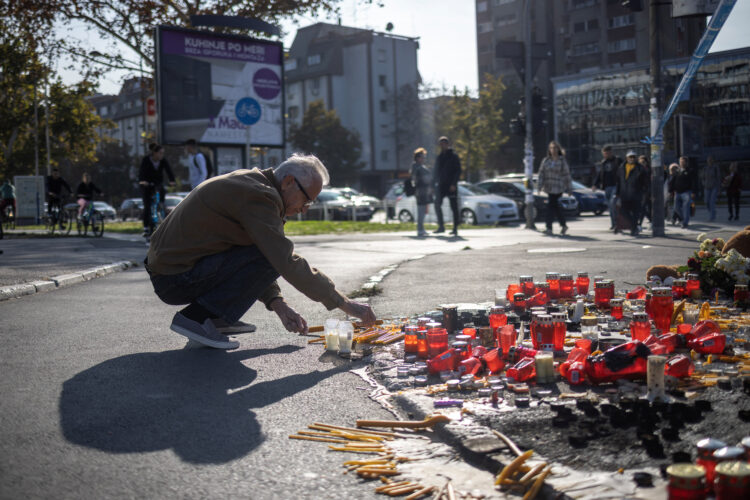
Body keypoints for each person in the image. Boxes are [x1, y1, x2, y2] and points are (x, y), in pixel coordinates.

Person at [144, 154, 376, 349]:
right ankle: (197, 317)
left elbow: (249, 251)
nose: (304, 210)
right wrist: (345, 303)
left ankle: (215, 318)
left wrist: (278, 304)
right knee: (274, 254)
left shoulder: (253, 184)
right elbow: (282, 259)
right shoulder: (261, 196)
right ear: (288, 182)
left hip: (172, 270)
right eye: (307, 201)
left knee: (267, 252)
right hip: (175, 278)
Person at [139, 143, 176, 236]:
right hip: (147, 184)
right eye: (160, 153)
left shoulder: (163, 161)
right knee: (147, 206)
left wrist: (172, 180)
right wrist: (143, 181)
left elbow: (169, 170)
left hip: (158, 183)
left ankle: (162, 208)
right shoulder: (146, 160)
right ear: (154, 153)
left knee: (161, 196)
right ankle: (146, 228)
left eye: (162, 153)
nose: (161, 155)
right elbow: (141, 172)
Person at [537, 140, 572, 236]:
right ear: (549, 149)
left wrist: (569, 188)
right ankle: (563, 225)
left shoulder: (562, 161)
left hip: (558, 187)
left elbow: (566, 174)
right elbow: (541, 173)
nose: (553, 150)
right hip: (549, 186)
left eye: (555, 148)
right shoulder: (546, 160)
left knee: (550, 206)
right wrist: (539, 186)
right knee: (555, 207)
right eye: (552, 148)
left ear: (558, 149)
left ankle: (549, 227)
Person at [432, 136, 461, 236]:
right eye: (441, 144)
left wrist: (454, 184)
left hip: (451, 185)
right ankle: (441, 226)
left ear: (448, 144)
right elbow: (435, 171)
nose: (443, 145)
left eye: (444, 143)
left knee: (454, 206)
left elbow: (458, 171)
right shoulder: (439, 157)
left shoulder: (453, 156)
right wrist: (434, 184)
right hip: (441, 186)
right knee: (437, 204)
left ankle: (455, 228)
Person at [615, 151, 648, 237]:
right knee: (623, 211)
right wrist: (617, 193)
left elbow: (645, 182)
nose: (632, 159)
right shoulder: (621, 167)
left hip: (636, 194)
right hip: (624, 194)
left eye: (633, 157)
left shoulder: (640, 168)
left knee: (636, 213)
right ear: (627, 158)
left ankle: (634, 229)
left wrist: (644, 192)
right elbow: (618, 181)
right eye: (630, 157)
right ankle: (634, 227)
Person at [593, 145, 622, 231]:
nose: (607, 155)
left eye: (608, 153)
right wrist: (595, 184)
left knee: (613, 203)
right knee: (610, 207)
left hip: (616, 185)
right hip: (607, 187)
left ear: (611, 152)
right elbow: (599, 174)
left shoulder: (617, 160)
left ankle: (617, 224)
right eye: (605, 153)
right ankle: (613, 224)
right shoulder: (603, 162)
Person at [410, 147, 433, 237]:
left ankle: (421, 228)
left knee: (423, 211)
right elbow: (415, 179)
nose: (424, 159)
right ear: (418, 158)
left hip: (424, 191)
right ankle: (420, 229)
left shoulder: (420, 166)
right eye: (422, 157)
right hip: (420, 191)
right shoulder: (416, 167)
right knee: (421, 211)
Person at [672, 156, 697, 228]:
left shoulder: (690, 171)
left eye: (683, 162)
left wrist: (693, 192)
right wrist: (671, 191)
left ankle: (685, 222)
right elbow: (674, 181)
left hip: (686, 192)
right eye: (680, 162)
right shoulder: (677, 171)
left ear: (686, 162)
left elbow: (693, 182)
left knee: (686, 208)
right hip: (677, 192)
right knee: (676, 207)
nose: (681, 163)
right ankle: (682, 218)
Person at [702, 156, 721, 222]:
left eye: (711, 159)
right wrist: (704, 184)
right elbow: (703, 178)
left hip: (714, 187)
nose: (709, 161)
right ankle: (713, 212)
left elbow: (718, 178)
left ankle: (712, 217)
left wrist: (719, 189)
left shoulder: (715, 168)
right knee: (706, 202)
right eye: (708, 159)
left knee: (712, 202)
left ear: (713, 160)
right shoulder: (705, 168)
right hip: (707, 187)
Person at [637, 155, 652, 229]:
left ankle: (639, 224)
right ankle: (651, 220)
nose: (642, 164)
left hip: (647, 191)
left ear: (646, 163)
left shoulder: (648, 170)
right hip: (640, 190)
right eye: (640, 162)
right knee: (643, 208)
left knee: (644, 207)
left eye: (643, 162)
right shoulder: (637, 169)